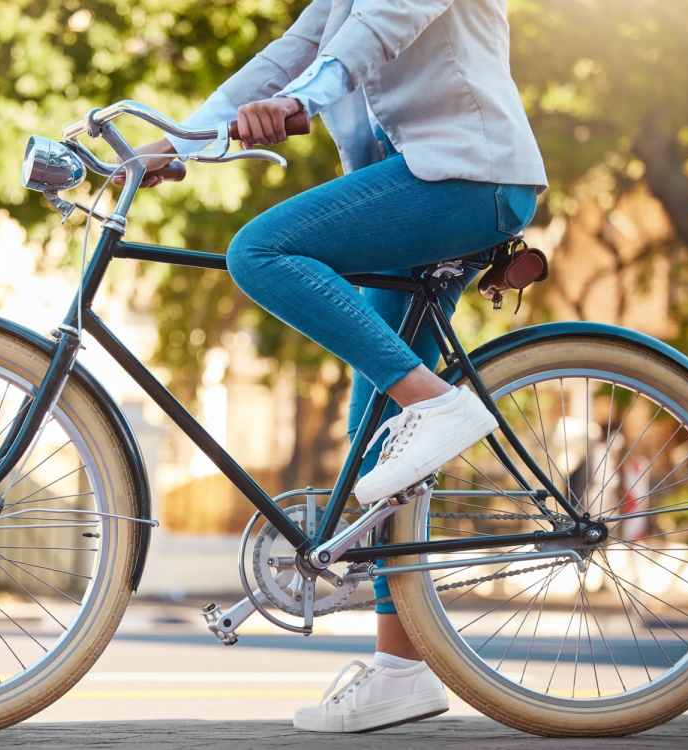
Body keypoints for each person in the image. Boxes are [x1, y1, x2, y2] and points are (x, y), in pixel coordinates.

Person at [130, 0, 548, 734]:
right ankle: (401, 674)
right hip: (424, 186)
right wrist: (177, 141)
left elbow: (376, 29)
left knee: (260, 250)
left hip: (463, 179)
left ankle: (437, 404)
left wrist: (299, 102)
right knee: (374, 437)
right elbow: (291, 51)